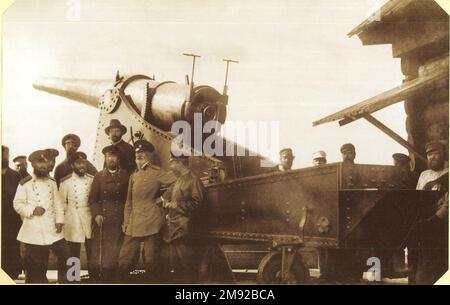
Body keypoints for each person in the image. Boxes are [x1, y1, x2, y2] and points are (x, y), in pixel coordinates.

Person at [118, 140, 176, 282]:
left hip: (152, 220)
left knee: (151, 259)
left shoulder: (157, 172)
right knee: (124, 258)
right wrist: (126, 221)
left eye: (143, 153)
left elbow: (176, 182)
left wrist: (162, 198)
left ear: (150, 155)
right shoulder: (133, 176)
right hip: (134, 221)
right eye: (137, 152)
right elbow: (129, 202)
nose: (139, 154)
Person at [13, 150, 68, 283]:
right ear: (33, 165)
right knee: (37, 267)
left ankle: (70, 281)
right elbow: (17, 204)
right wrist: (32, 210)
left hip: (52, 228)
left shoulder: (52, 182)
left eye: (45, 162)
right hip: (34, 230)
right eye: (40, 163)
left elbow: (58, 204)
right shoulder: (24, 183)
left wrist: (60, 221)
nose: (44, 165)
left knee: (69, 257)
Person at [161, 151, 205, 283]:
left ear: (180, 162)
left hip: (185, 232)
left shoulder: (193, 180)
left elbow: (198, 203)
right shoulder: (180, 179)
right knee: (178, 270)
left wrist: (176, 205)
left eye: (172, 161)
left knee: (189, 269)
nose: (170, 164)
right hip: (174, 231)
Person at [88, 145, 129, 283]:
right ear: (105, 158)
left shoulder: (125, 175)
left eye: (114, 156)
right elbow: (93, 199)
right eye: (108, 156)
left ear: (118, 159)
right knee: (104, 255)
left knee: (118, 253)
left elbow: (128, 199)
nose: (111, 159)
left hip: (120, 220)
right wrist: (97, 214)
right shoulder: (99, 176)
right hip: (104, 220)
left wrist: (127, 219)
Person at [412, 141, 448, 284]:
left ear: (443, 155)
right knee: (424, 260)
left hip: (443, 225)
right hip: (425, 224)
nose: (432, 157)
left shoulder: (448, 173)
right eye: (429, 154)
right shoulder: (424, 175)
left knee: (441, 262)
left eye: (436, 153)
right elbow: (416, 199)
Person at [59, 152, 94, 275]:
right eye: (78, 163)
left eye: (83, 162)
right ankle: (73, 278)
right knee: (73, 251)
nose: (82, 166)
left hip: (88, 216)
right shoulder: (66, 182)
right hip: (72, 218)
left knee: (92, 249)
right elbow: (62, 203)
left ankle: (94, 278)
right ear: (72, 165)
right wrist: (63, 221)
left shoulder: (91, 180)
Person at [1, 146, 23, 279]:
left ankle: (12, 274)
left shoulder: (15, 175)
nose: (4, 157)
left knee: (12, 245)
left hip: (12, 219)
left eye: (6, 155)